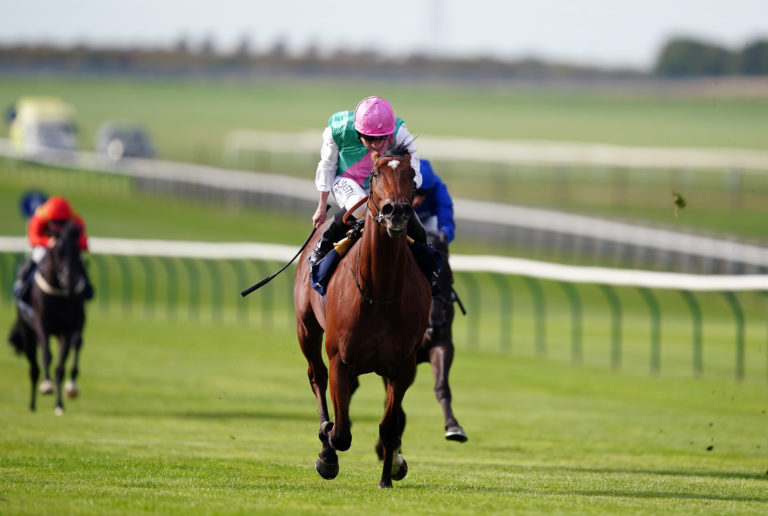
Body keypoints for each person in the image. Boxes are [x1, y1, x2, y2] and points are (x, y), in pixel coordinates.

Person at [308, 95, 427, 267]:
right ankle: (322, 246)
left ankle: (427, 254)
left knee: (399, 208)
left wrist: (405, 190)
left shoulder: (399, 130)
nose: (377, 145)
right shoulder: (337, 129)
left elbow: (413, 165)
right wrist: (321, 207)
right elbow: (327, 166)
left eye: (382, 138)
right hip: (347, 181)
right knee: (361, 207)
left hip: (381, 185)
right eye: (370, 139)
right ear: (358, 133)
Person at [12, 195, 94, 303]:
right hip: (46, 245)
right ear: (48, 219)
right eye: (54, 222)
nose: (58, 226)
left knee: (78, 259)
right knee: (37, 255)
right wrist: (48, 242)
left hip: (66, 247)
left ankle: (86, 285)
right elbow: (32, 238)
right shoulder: (40, 215)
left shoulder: (75, 218)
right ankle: (21, 283)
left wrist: (70, 243)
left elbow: (84, 243)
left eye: (62, 223)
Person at [412, 159, 455, 245]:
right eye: (414, 192)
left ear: (430, 188)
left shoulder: (439, 189)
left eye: (423, 193)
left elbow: (446, 222)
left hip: (428, 222)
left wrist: (444, 235)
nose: (417, 201)